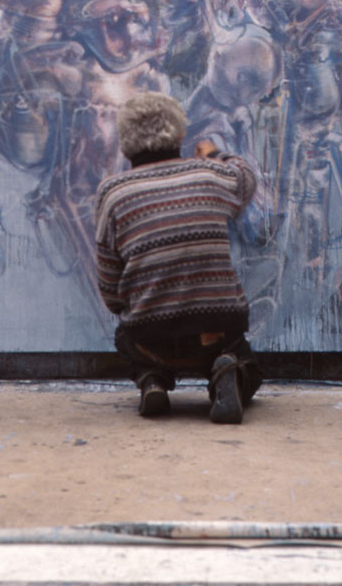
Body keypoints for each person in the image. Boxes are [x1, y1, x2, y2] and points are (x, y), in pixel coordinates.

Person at [94, 91, 263, 423]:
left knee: (124, 337)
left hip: (150, 338)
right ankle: (227, 371)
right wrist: (214, 154)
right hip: (215, 333)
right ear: (180, 135)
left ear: (124, 142)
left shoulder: (113, 194)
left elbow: (109, 281)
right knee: (248, 364)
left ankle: (151, 379)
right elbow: (246, 177)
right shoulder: (209, 175)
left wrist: (124, 305)